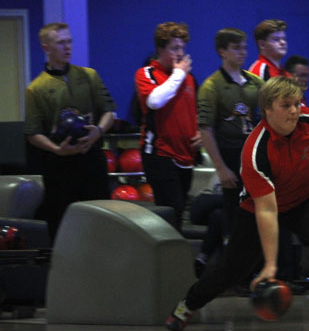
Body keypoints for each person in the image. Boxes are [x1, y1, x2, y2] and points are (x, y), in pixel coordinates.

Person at [166, 77, 309, 331]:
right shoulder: (255, 150)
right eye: (286, 105)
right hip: (259, 208)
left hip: (307, 197)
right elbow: (267, 209)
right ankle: (187, 306)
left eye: (297, 103)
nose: (294, 111)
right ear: (267, 109)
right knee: (232, 271)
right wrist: (270, 265)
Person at [24, 22, 116, 243]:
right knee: (64, 229)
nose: (68, 47)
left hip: (91, 160)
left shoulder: (89, 76)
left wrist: (98, 131)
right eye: (61, 42)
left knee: (102, 223)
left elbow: (110, 112)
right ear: (46, 48)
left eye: (69, 41)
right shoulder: (35, 89)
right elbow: (33, 133)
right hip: (60, 166)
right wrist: (57, 149)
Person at [195, 27, 263, 273]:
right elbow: (206, 130)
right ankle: (235, 272)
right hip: (230, 155)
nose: (242, 52)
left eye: (244, 47)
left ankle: (259, 269)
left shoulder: (256, 83)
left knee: (259, 215)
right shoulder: (211, 86)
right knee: (235, 219)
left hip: (254, 157)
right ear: (222, 51)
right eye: (236, 48)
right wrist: (221, 168)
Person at [135, 22, 202, 230]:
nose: (180, 53)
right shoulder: (147, 73)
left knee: (180, 212)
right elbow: (154, 101)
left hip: (186, 154)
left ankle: (174, 257)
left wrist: (199, 132)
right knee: (171, 209)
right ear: (161, 49)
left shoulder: (189, 79)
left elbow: (193, 112)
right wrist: (179, 74)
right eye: (174, 48)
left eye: (182, 48)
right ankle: (165, 259)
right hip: (159, 152)